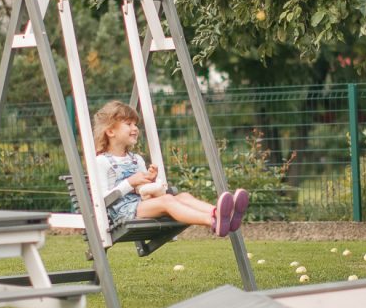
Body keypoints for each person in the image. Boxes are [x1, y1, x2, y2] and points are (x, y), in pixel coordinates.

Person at [92, 100, 249, 236]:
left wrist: (150, 180)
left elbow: (143, 191)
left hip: (142, 204)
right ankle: (212, 222)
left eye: (135, 124)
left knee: (184, 196)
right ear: (110, 131)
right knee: (167, 200)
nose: (135, 128)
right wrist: (130, 182)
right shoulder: (101, 161)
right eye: (128, 124)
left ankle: (220, 213)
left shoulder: (136, 159)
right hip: (122, 212)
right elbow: (103, 199)